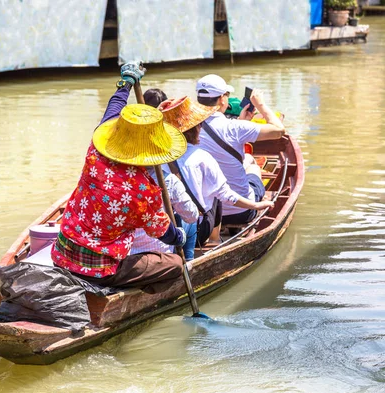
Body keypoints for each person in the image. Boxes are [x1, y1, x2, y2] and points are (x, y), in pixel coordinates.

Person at [50, 62, 187, 294]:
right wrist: (179, 236)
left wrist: (125, 83)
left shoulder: (96, 151)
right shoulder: (144, 190)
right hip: (102, 269)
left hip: (63, 254)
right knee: (174, 264)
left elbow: (113, 109)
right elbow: (161, 230)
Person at [159, 97, 274, 259]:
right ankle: (215, 239)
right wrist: (257, 205)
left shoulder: (158, 158)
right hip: (198, 231)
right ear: (197, 128)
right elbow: (226, 195)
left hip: (166, 232)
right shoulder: (202, 157)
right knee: (215, 193)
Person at [195, 74, 285, 226]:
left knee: (245, 162)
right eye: (227, 96)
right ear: (223, 99)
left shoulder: (189, 129)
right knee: (254, 168)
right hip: (240, 213)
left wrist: (242, 122)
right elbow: (279, 130)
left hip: (205, 214)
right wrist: (261, 104)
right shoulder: (235, 128)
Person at [130, 167, 198, 256]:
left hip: (127, 252)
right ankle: (188, 260)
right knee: (190, 223)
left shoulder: (116, 180)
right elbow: (191, 216)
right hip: (161, 253)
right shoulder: (169, 180)